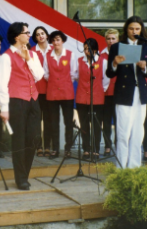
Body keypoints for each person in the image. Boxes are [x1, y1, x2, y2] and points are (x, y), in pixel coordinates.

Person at [0, 22, 44, 190]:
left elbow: (39, 76)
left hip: (33, 100)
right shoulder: (6, 57)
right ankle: (20, 178)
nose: (30, 35)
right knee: (19, 141)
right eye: (27, 32)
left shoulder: (33, 54)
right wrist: (4, 108)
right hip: (16, 101)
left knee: (33, 138)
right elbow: (2, 85)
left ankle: (24, 174)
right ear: (17, 36)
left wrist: (28, 59)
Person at [106, 16, 147, 169]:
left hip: (141, 94)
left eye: (137, 29)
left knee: (138, 131)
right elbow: (109, 73)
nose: (134, 31)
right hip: (124, 94)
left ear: (141, 30)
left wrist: (144, 67)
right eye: (131, 28)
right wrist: (115, 63)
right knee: (122, 132)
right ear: (126, 29)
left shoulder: (146, 47)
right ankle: (121, 167)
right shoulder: (116, 47)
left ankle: (134, 166)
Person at [44, 30, 78, 160]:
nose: (55, 42)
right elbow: (46, 74)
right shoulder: (48, 56)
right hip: (52, 93)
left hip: (67, 93)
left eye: (58, 39)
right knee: (54, 122)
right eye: (53, 40)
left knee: (68, 122)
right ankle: (55, 149)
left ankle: (68, 149)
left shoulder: (70, 54)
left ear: (62, 41)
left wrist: (63, 83)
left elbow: (73, 74)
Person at [75, 38, 109, 159]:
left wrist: (99, 90)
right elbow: (76, 76)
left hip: (97, 98)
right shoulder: (79, 61)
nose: (86, 51)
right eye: (84, 49)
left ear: (95, 50)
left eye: (88, 49)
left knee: (96, 124)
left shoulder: (103, 61)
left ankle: (95, 149)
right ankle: (86, 149)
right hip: (82, 97)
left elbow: (106, 80)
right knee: (84, 124)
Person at [31, 26, 53, 157]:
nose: (41, 36)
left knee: (49, 120)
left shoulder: (54, 50)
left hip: (51, 90)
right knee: (36, 120)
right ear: (35, 37)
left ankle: (48, 146)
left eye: (42, 33)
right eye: (38, 34)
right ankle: (38, 146)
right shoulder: (32, 51)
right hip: (36, 90)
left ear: (46, 35)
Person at [100, 29, 119, 157]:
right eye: (108, 38)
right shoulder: (101, 55)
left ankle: (119, 147)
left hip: (119, 93)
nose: (111, 41)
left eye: (113, 38)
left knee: (119, 122)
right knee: (106, 122)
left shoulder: (123, 54)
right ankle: (107, 146)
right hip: (105, 93)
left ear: (117, 40)